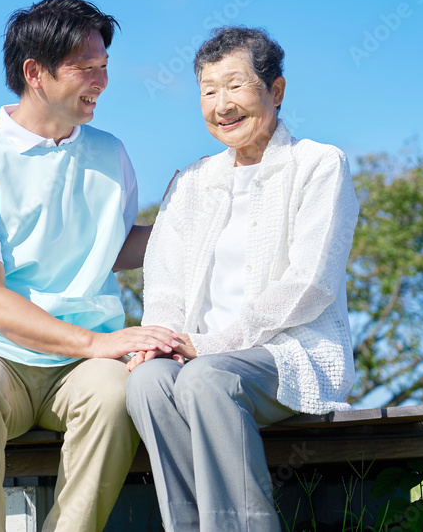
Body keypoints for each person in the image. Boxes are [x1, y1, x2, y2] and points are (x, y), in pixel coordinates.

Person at [0, 0, 179, 532]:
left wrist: (201, 229)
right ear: (34, 72)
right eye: (86, 69)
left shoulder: (113, 153)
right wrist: (98, 343)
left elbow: (112, 248)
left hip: (83, 369)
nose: (101, 82)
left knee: (116, 393)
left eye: (104, 68)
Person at [125, 26, 361, 531]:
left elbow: (311, 283)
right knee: (147, 382)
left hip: (290, 352)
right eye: (209, 91)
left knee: (209, 378)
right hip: (196, 357)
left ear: (275, 90)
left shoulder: (318, 164)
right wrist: (162, 342)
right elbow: (164, 279)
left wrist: (212, 345)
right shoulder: (190, 181)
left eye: (235, 86)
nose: (221, 103)